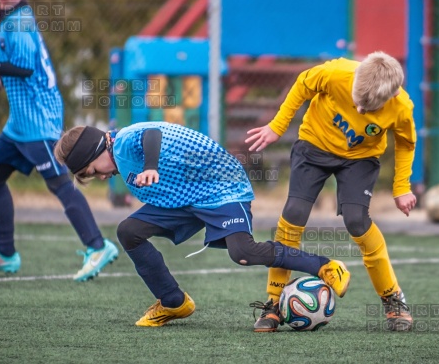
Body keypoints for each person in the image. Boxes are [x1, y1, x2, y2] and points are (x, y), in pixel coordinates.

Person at [53, 121, 351, 327]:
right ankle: (173, 302)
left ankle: (325, 266)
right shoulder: (118, 158)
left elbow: (152, 136)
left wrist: (151, 167)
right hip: (184, 199)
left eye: (92, 170)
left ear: (96, 151)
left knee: (243, 252)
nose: (100, 176)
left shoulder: (124, 141)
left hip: (221, 186)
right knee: (129, 231)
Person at [0, 0, 118, 281]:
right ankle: (5, 253)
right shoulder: (12, 19)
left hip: (38, 121)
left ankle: (98, 246)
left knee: (60, 185)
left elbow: (22, 69)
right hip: (19, 124)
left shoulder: (17, 23)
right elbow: (28, 71)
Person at [245, 51, 417, 332]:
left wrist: (401, 188)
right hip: (314, 145)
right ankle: (273, 303)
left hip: (360, 158)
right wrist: (277, 127)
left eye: (368, 108)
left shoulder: (401, 107)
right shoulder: (337, 73)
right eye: (356, 101)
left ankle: (393, 300)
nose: (360, 111)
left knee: (357, 221)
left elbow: (406, 143)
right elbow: (302, 83)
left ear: (390, 97)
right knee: (294, 213)